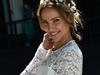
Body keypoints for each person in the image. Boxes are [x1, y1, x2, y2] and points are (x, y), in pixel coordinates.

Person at [20, 0, 83, 75]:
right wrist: (42, 49)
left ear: (69, 18)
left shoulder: (70, 55)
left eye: (56, 20)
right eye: (45, 22)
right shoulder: (47, 50)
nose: (50, 28)